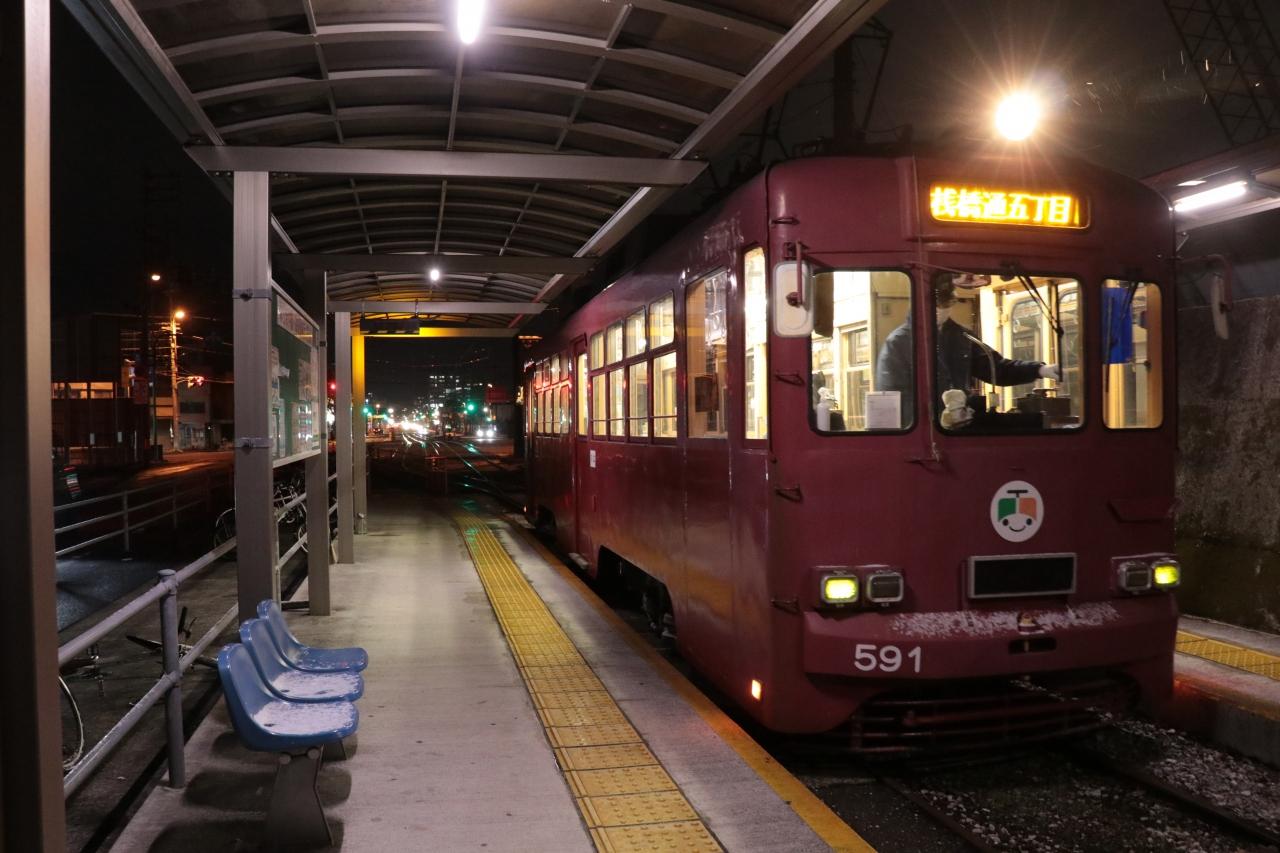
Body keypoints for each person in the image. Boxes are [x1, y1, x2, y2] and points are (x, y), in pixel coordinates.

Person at [876, 272, 1059, 425]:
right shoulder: (898, 343)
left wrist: (1040, 370)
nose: (940, 310)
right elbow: (893, 397)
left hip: (961, 427)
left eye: (945, 305)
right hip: (922, 430)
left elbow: (997, 368)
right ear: (920, 304)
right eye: (935, 305)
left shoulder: (963, 337)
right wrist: (935, 416)